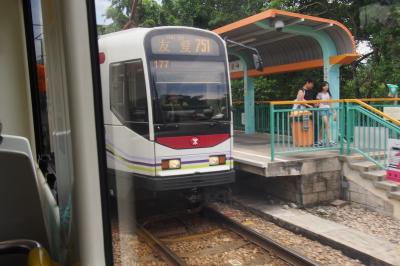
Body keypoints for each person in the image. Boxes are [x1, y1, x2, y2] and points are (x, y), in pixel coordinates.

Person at [315, 81, 336, 146]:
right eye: (325, 86)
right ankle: (330, 140)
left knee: (324, 126)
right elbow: (317, 104)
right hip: (322, 110)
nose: (326, 87)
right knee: (327, 125)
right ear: (322, 87)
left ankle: (319, 140)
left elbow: (331, 104)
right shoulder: (319, 94)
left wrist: (334, 112)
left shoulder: (329, 94)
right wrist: (317, 103)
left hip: (328, 110)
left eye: (327, 85)